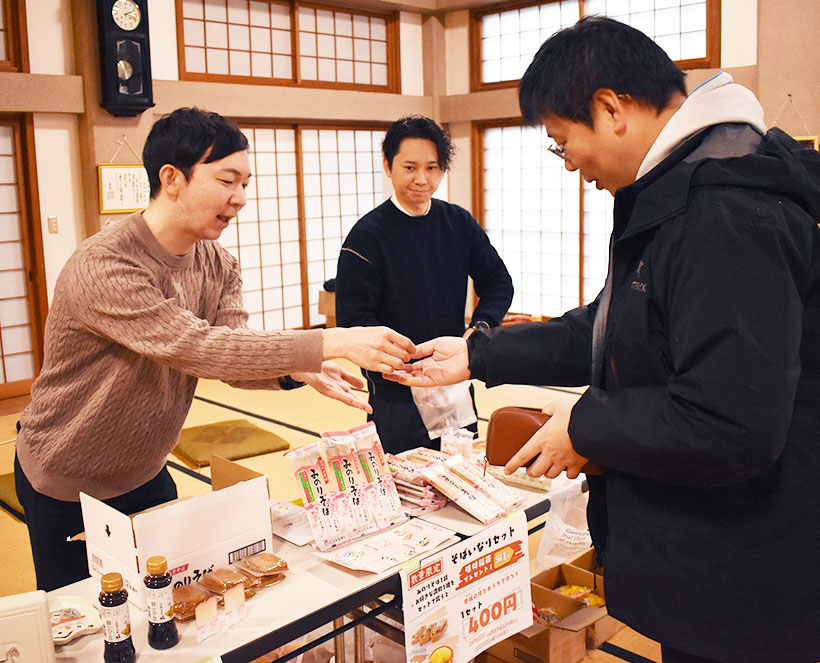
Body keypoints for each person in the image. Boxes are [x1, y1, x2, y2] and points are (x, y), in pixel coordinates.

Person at [387, 17, 820, 663]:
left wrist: (584, 426)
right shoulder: (686, 191)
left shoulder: (725, 210)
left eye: (563, 144)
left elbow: (731, 422)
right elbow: (617, 323)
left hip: (748, 572)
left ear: (610, 109)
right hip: (721, 555)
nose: (569, 166)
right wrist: (479, 353)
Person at [15, 107, 416, 592]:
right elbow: (196, 346)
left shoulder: (218, 263)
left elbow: (233, 357)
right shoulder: (105, 265)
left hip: (147, 468)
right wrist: (335, 339)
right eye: (228, 180)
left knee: (165, 609)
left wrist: (298, 370)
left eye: (246, 183)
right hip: (67, 477)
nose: (241, 198)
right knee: (87, 624)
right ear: (172, 178)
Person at [335, 115, 513, 453]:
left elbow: (499, 282)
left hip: (454, 379)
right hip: (396, 389)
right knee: (408, 492)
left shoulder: (457, 222)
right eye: (410, 167)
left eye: (432, 168)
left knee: (462, 481)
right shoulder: (368, 236)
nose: (422, 179)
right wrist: (401, 361)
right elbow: (354, 321)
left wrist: (478, 332)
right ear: (388, 166)